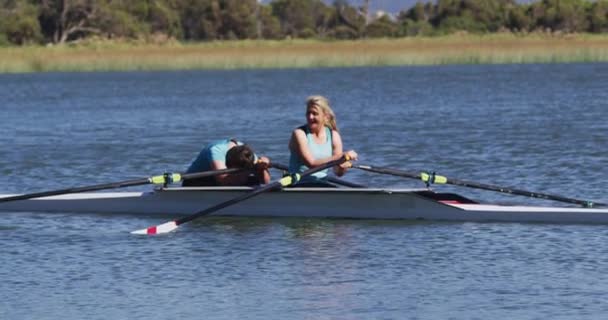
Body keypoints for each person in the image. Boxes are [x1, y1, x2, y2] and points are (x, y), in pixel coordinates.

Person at [288, 95, 358, 186]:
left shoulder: (334, 136)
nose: (310, 117)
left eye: (314, 113)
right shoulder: (299, 134)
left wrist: (342, 166)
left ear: (325, 116)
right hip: (299, 184)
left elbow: (338, 173)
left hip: (321, 184)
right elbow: (311, 163)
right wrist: (340, 156)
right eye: (308, 113)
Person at [183, 139, 270, 186]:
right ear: (227, 164)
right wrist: (245, 174)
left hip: (222, 178)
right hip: (196, 181)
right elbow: (223, 181)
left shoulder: (249, 155)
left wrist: (263, 168)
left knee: (255, 181)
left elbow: (266, 182)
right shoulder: (216, 151)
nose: (242, 179)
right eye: (238, 174)